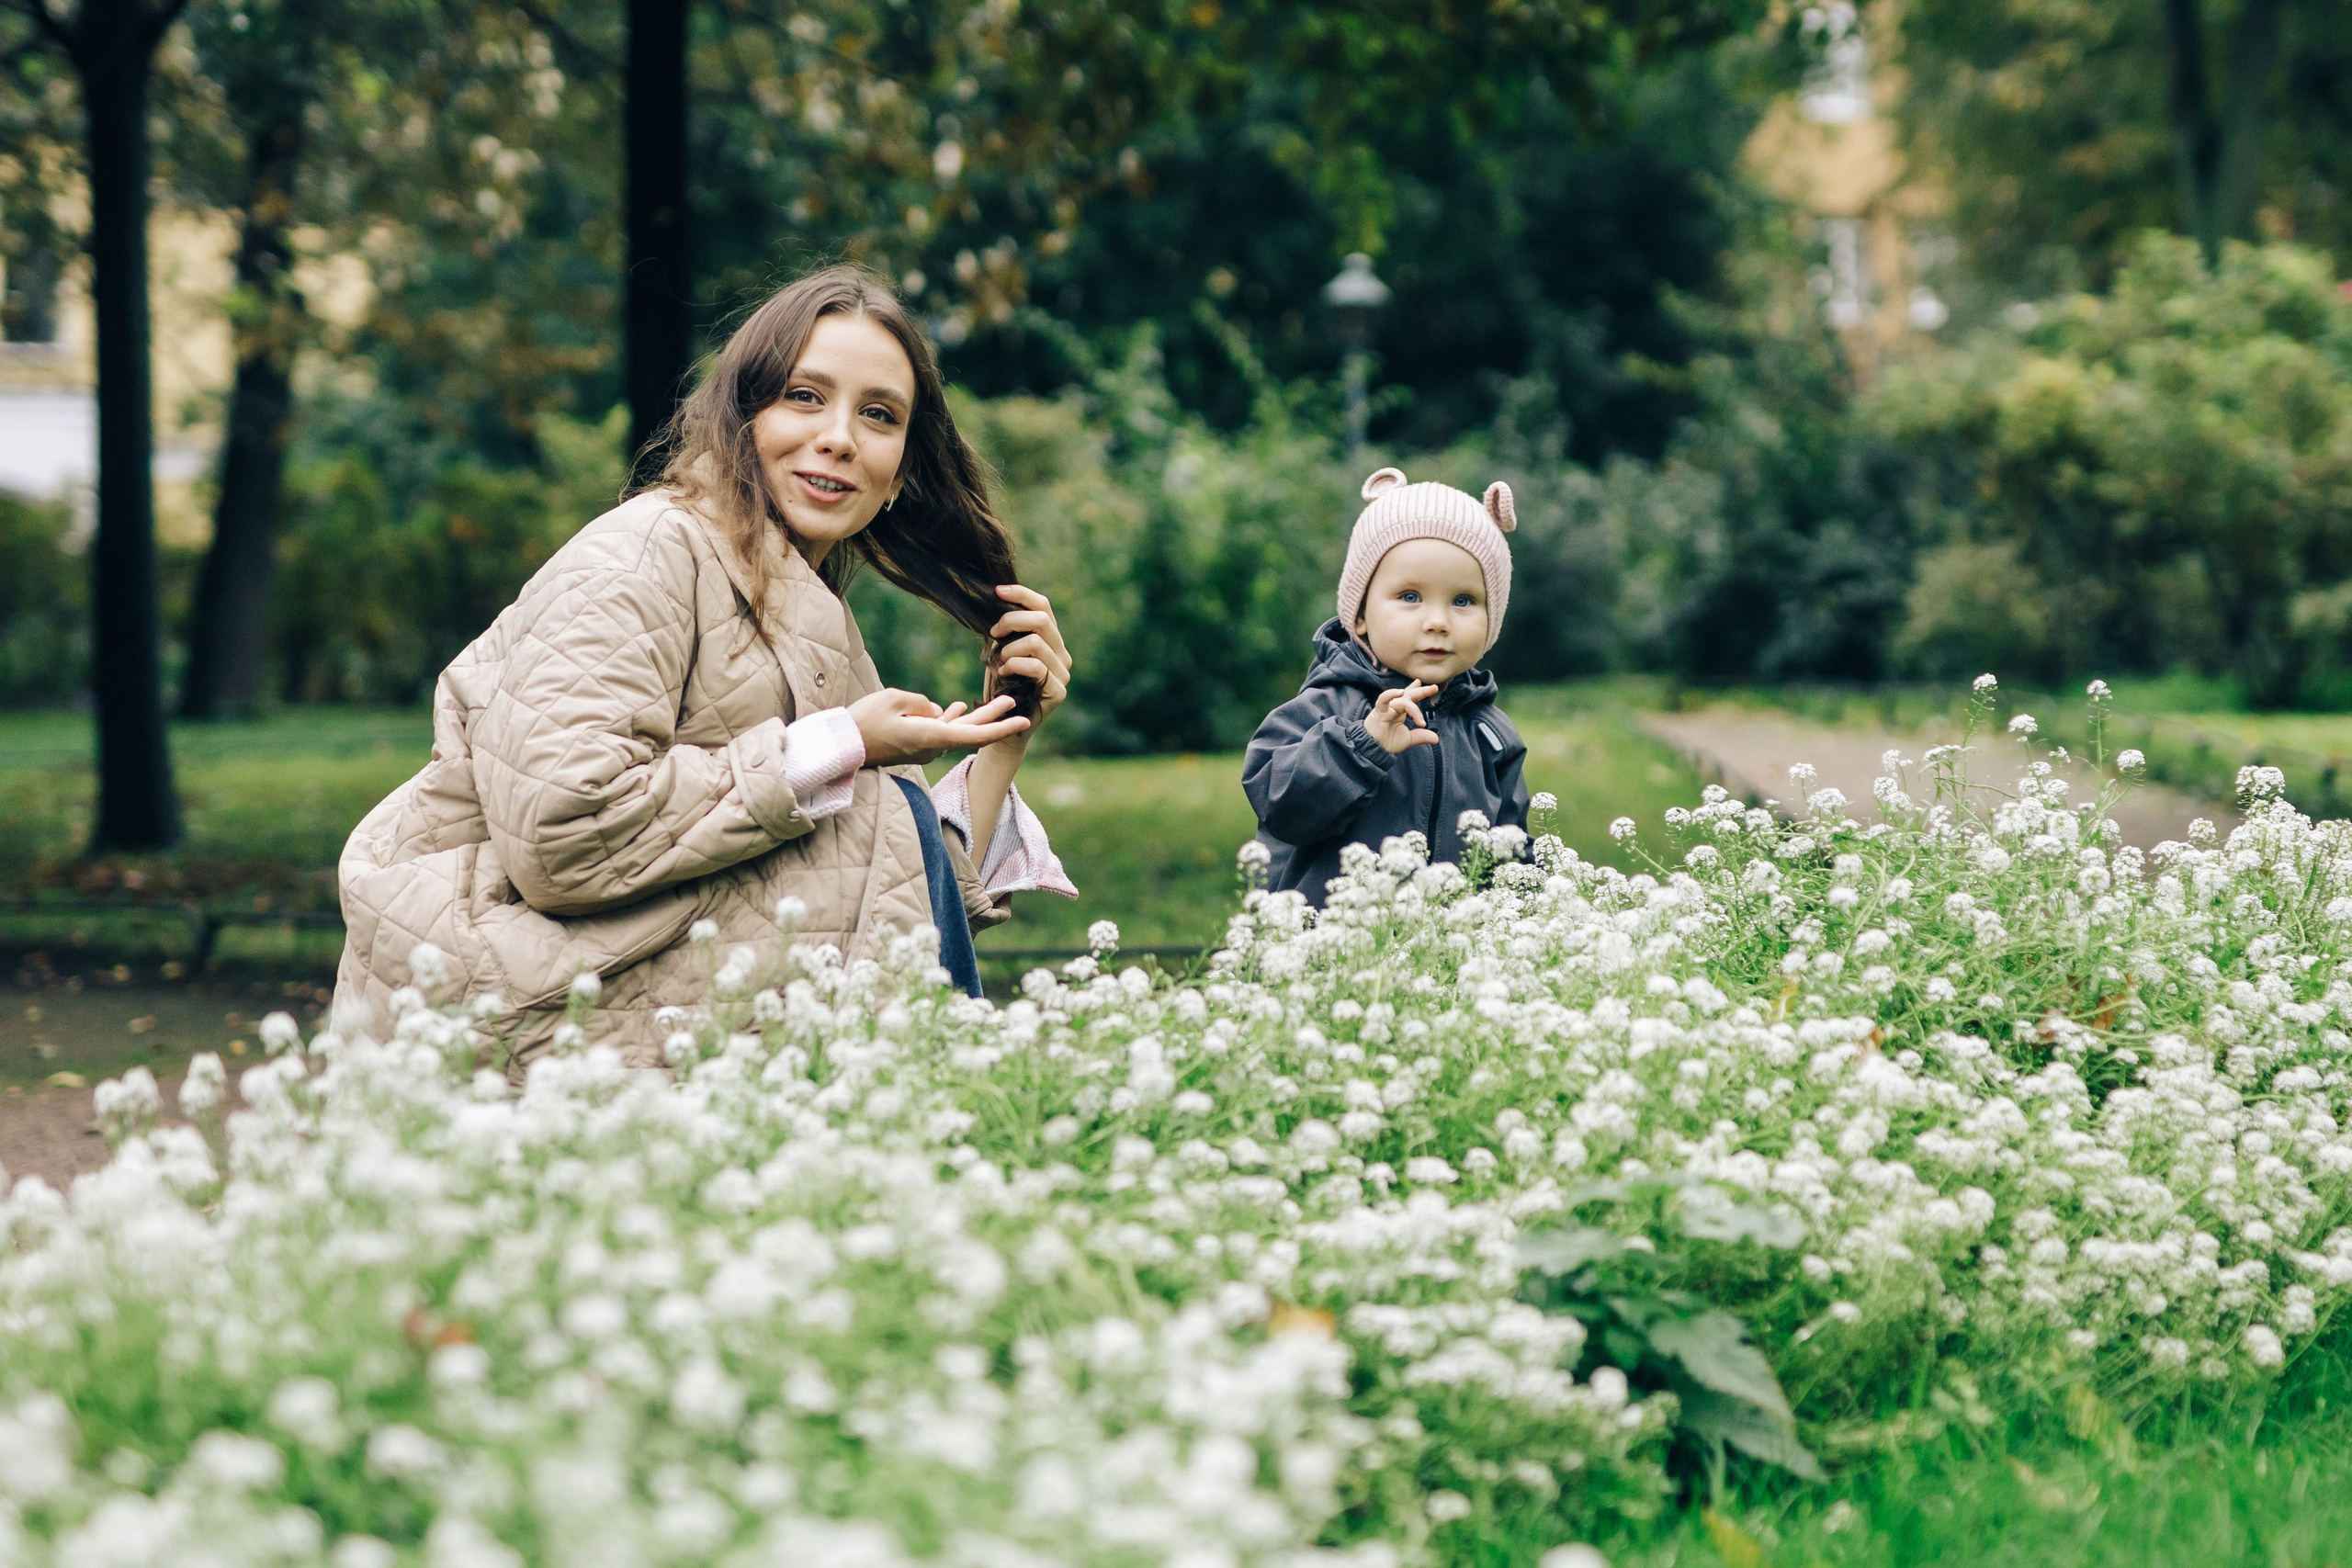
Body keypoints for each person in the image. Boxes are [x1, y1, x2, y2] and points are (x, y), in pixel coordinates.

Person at [334, 265, 1077, 1072]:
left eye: (878, 414)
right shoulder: (645, 551)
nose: (839, 436)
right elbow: (561, 833)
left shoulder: (811, 618)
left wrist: (1001, 740)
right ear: (741, 417)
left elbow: (890, 898)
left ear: (900, 474)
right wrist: (840, 745)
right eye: (804, 396)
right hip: (499, 1024)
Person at [1243, 466, 1529, 905]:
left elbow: (1513, 854)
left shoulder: (1492, 734)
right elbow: (1281, 809)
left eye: (1464, 600)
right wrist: (1362, 745)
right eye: (1410, 597)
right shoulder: (1326, 705)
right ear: (1359, 614)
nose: (1437, 621)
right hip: (1333, 938)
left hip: (1448, 944)